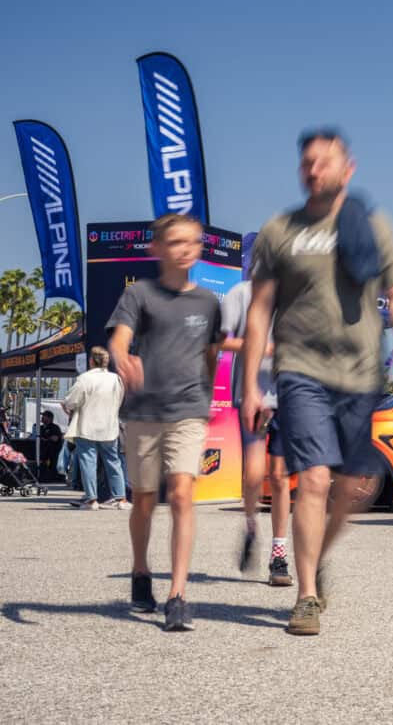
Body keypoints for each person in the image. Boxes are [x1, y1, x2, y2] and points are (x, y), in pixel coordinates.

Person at [242, 128, 393, 636]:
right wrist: (252, 385)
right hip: (300, 371)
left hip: (360, 374)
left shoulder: (372, 225)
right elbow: (259, 312)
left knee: (355, 488)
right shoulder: (279, 230)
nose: (314, 170)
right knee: (313, 479)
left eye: (325, 162)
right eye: (308, 163)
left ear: (348, 168)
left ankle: (315, 556)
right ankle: (306, 597)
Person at [108, 213, 224, 632]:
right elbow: (120, 336)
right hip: (143, 412)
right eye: (175, 242)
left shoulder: (210, 302)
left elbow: (211, 353)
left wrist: (206, 396)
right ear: (157, 249)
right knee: (143, 500)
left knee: (181, 494)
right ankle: (141, 571)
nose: (185, 249)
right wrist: (122, 356)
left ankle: (178, 594)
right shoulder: (140, 295)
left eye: (192, 242)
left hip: (188, 411)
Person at [221, 279, 292, 586]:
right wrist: (264, 347)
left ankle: (279, 555)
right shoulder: (241, 293)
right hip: (251, 396)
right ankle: (251, 527)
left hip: (289, 396)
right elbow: (222, 340)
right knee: (254, 475)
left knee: (280, 477)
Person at [63, 346, 128, 510]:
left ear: (91, 361)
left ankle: (91, 500)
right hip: (109, 427)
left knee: (88, 463)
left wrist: (66, 406)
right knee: (114, 462)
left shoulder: (84, 379)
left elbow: (71, 401)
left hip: (87, 426)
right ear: (106, 362)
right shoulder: (116, 379)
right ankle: (120, 499)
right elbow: (119, 400)